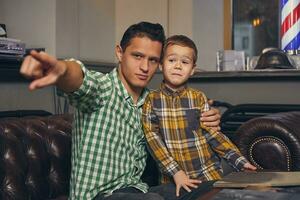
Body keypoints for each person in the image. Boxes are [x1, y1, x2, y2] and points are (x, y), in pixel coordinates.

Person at [20, 22, 221, 200]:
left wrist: (203, 116)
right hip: (100, 195)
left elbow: (182, 120)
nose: (145, 67)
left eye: (152, 60)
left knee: (215, 189)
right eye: (137, 56)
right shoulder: (103, 89)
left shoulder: (154, 102)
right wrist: (61, 69)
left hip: (139, 191)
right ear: (119, 53)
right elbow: (80, 78)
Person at [142, 35, 257, 197]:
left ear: (193, 69)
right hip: (174, 180)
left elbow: (213, 135)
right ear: (161, 65)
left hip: (208, 173)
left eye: (185, 62)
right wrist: (176, 172)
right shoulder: (151, 100)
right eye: (172, 60)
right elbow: (153, 139)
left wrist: (239, 161)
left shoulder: (198, 98)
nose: (178, 66)